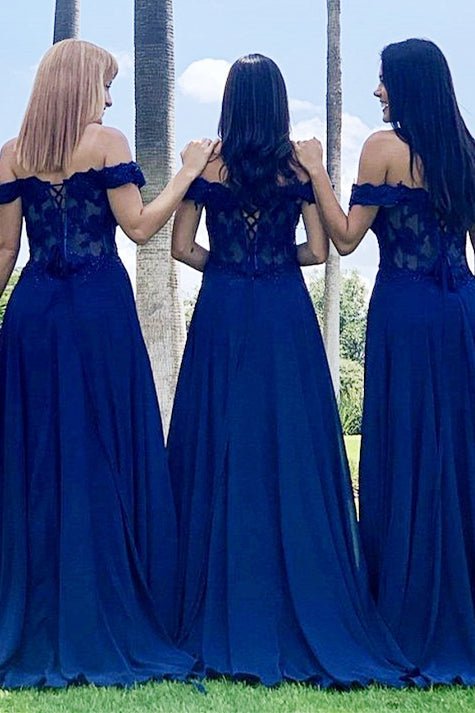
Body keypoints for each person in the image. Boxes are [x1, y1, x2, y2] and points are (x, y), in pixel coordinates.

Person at [168, 53, 420, 688]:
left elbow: (180, 248)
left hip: (223, 312)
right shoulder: (296, 168)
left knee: (220, 441)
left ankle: (213, 593)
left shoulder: (208, 167)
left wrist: (229, 269)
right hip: (285, 313)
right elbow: (317, 248)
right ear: (278, 104)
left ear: (230, 102)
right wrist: (273, 264)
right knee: (289, 445)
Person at [0, 38, 215, 688]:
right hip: (98, 314)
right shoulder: (107, 143)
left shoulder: (12, 153)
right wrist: (188, 171)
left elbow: (5, 251)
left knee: (39, 455)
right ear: (81, 85)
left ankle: (40, 605)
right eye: (106, 84)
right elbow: (141, 228)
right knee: (104, 450)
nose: (111, 98)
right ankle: (109, 600)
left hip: (34, 313)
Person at [295, 38, 475, 682]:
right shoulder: (466, 151)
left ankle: (405, 602)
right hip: (459, 312)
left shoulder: (383, 148)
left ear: (406, 85)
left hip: (403, 313)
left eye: (384, 81)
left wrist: (316, 171)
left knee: (404, 444)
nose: (377, 91)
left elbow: (345, 238)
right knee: (458, 446)